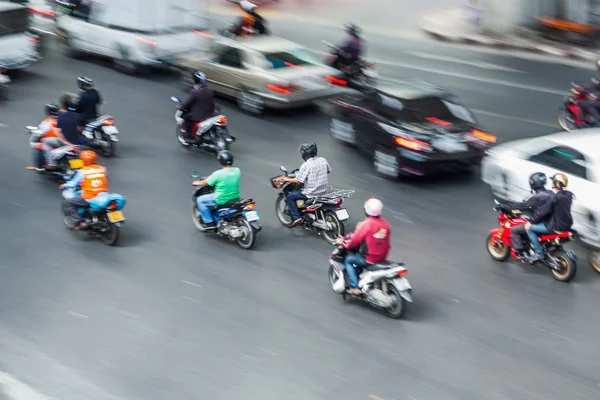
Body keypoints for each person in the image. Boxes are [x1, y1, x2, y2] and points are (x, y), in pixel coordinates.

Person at [336, 197, 391, 296]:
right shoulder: (385, 223)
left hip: (369, 258)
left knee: (348, 260)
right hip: (383, 256)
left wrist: (343, 242)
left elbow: (354, 242)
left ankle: (355, 287)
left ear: (366, 210)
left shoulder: (366, 224)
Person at [500, 172, 554, 257]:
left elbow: (521, 206)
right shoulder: (551, 193)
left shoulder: (536, 197)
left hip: (541, 224)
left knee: (514, 230)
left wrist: (504, 206)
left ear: (533, 183)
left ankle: (520, 252)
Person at [280, 143, 331, 227]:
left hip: (311, 193)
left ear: (304, 154)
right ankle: (304, 210)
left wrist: (286, 179)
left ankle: (297, 218)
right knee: (299, 195)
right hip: (323, 190)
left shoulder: (306, 165)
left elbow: (297, 180)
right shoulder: (323, 160)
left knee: (291, 196)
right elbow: (328, 171)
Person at [525, 173, 574, 261]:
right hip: (567, 225)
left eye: (553, 181)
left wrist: (531, 221)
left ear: (558, 184)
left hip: (556, 226)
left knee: (529, 229)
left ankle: (538, 253)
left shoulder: (555, 198)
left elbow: (544, 211)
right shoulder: (569, 195)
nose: (552, 183)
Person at [59, 150, 109, 230]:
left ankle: (80, 222)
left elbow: (73, 183)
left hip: (89, 196)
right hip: (103, 194)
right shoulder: (102, 169)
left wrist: (65, 185)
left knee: (68, 203)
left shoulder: (82, 171)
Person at [192, 151, 241, 228]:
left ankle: (208, 222)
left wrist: (197, 182)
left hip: (221, 198)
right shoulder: (237, 171)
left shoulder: (218, 174)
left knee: (200, 200)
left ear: (221, 161)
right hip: (235, 197)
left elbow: (206, 182)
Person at [26, 103, 73, 171]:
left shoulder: (47, 122)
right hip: (67, 140)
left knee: (38, 145)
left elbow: (40, 132)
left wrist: (33, 132)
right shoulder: (63, 119)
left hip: (56, 142)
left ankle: (39, 166)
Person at [178, 71, 216, 143]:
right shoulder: (210, 90)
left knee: (185, 118)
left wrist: (180, 107)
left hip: (199, 116)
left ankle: (190, 137)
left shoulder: (195, 91)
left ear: (195, 80)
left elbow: (187, 103)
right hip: (210, 114)